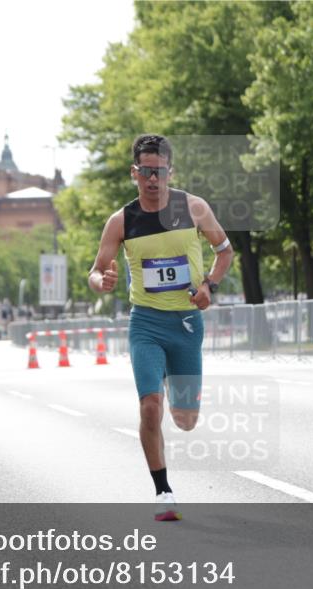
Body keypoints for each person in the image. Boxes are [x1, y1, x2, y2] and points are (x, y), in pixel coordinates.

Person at [88, 134, 234, 521]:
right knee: (150, 408)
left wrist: (209, 285)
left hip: (186, 323)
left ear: (170, 171)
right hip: (146, 323)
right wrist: (100, 281)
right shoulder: (121, 221)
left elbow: (224, 251)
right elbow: (97, 269)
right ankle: (163, 492)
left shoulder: (194, 208)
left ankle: (175, 380)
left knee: (185, 421)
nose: (153, 179)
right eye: (146, 172)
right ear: (134, 173)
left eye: (160, 171)